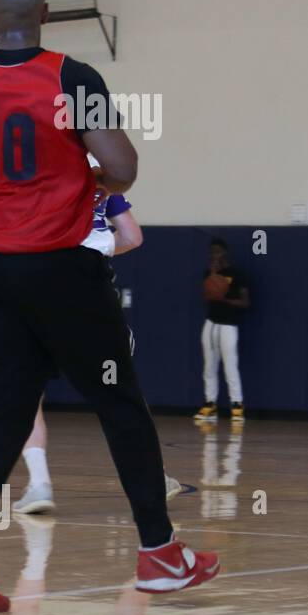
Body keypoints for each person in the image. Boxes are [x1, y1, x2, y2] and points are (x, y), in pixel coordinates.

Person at [0, 0, 218, 609]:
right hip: (57, 267)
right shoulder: (72, 76)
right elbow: (123, 166)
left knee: (8, 412)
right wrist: (90, 172)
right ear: (45, 18)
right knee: (120, 403)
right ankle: (159, 554)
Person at [13, 160, 183, 514]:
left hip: (42, 290)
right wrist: (101, 246)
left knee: (28, 395)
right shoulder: (106, 184)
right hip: (93, 294)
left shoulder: (40, 178)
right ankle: (157, 477)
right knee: (122, 399)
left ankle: (40, 484)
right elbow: (133, 237)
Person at [196, 237, 249, 422]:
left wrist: (224, 298)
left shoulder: (237, 274)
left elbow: (245, 302)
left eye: (217, 251)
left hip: (228, 325)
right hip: (211, 323)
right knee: (209, 366)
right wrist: (213, 275)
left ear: (225, 252)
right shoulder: (207, 274)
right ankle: (210, 404)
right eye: (212, 252)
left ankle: (237, 404)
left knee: (230, 365)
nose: (214, 255)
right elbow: (206, 297)